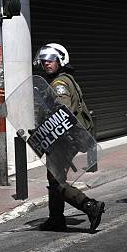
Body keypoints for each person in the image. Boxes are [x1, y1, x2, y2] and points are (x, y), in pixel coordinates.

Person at [34, 43, 105, 233]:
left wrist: (47, 131)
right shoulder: (63, 79)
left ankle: (89, 206)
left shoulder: (59, 84)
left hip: (63, 139)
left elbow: (61, 114)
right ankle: (56, 219)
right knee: (54, 177)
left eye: (51, 60)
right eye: (44, 60)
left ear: (60, 61)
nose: (46, 63)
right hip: (64, 138)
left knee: (56, 181)